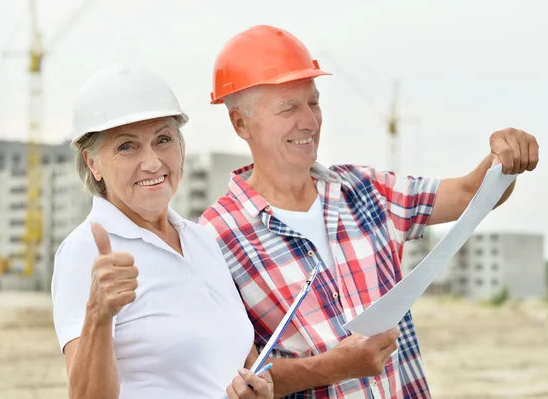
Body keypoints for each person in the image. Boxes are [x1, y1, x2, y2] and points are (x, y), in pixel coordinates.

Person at [198, 25, 540, 399]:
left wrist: (504, 158)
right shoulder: (214, 237)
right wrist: (334, 367)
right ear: (240, 123)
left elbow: (469, 193)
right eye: (288, 108)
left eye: (313, 102)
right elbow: (235, 375)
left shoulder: (365, 189)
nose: (309, 122)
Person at [50, 64, 274, 399]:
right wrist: (98, 313)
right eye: (127, 146)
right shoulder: (86, 251)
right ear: (93, 163)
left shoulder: (201, 240)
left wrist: (256, 391)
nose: (153, 162)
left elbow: (226, 366)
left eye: (163, 140)